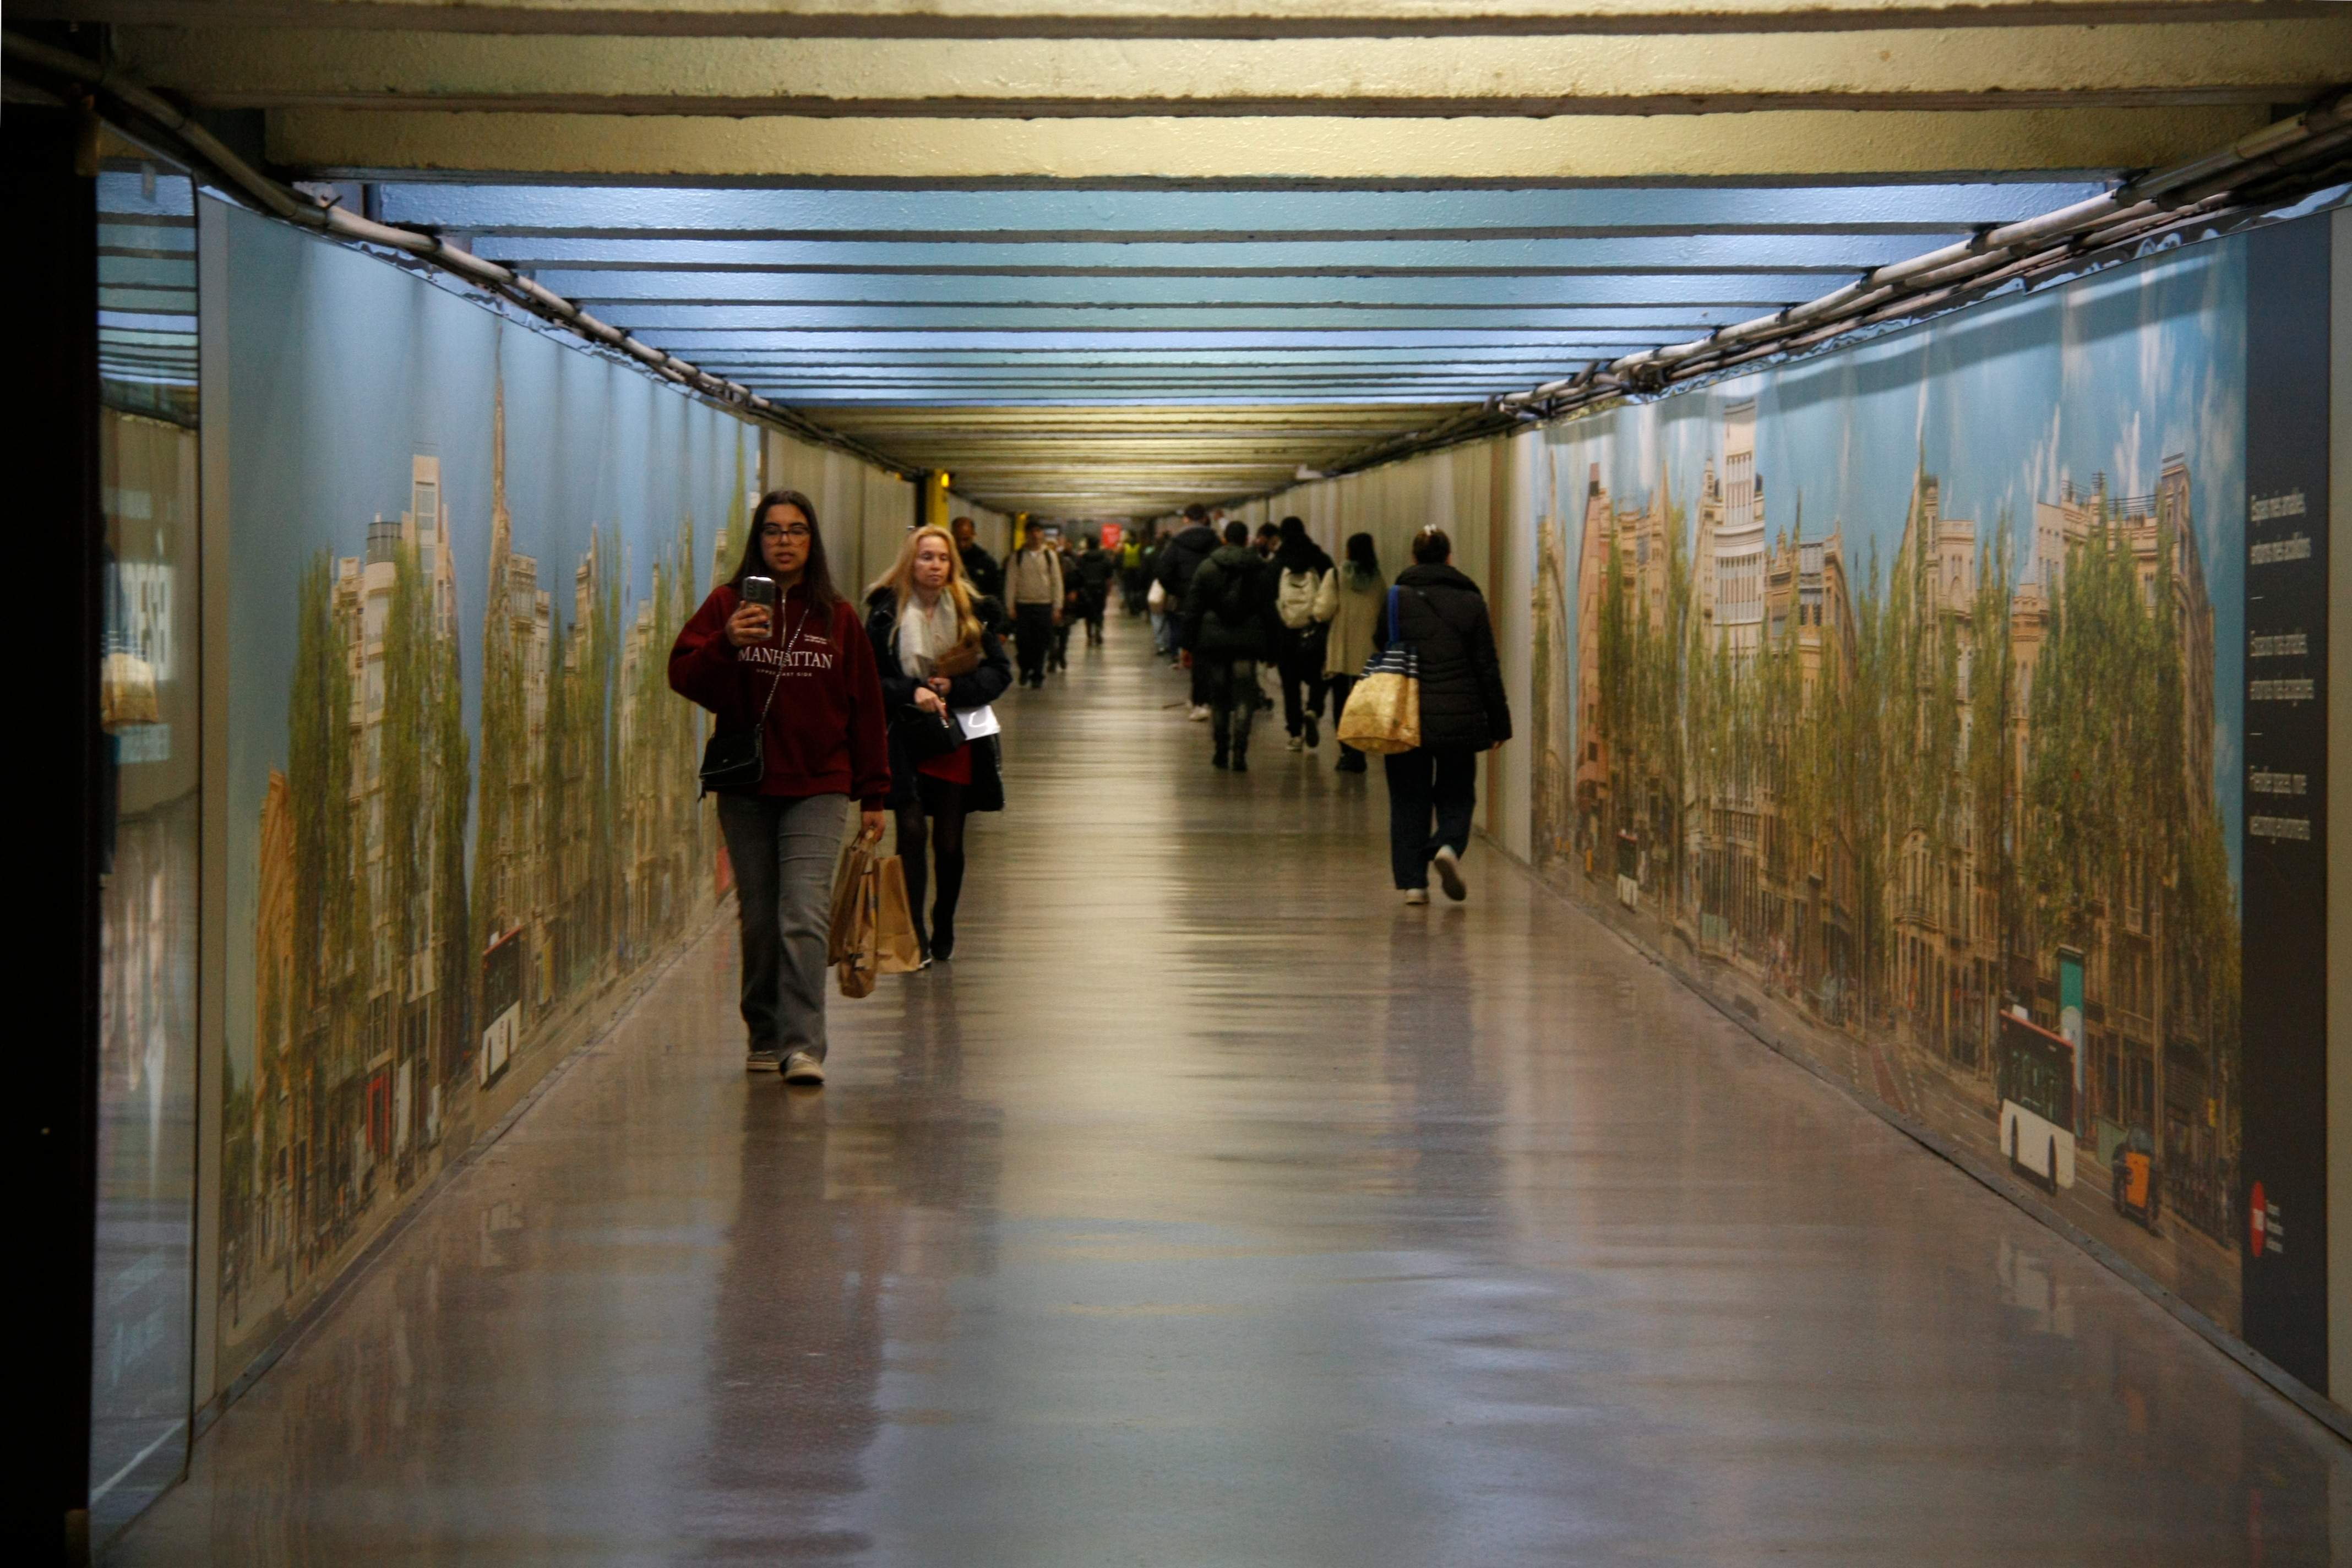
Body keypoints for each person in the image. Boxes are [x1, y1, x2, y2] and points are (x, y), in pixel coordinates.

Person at [670, 489, 891, 1084]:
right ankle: (764, 1032)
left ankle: (804, 1046)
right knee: (761, 917)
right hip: (747, 786)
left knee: (804, 913)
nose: (785, 541)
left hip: (820, 784)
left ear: (812, 542)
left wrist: (875, 794)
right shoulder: (726, 605)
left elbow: (866, 708)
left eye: (796, 531)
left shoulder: (838, 616)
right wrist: (728, 645)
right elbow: (684, 675)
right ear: (758, 540)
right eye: (773, 531)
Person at [864, 524, 1013, 965]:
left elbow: (999, 673)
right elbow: (870, 678)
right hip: (905, 736)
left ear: (953, 565)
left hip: (955, 735)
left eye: (943, 559)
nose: (935, 566)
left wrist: (954, 686)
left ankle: (944, 918)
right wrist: (911, 691)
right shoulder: (885, 614)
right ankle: (915, 934)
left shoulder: (972, 612)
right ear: (910, 562)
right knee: (911, 833)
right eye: (926, 557)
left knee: (948, 843)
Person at [1375, 526, 1510, 905]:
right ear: (1449, 557)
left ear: (1414, 557)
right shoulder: (1471, 601)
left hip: (1407, 716)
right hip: (1459, 716)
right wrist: (1499, 723)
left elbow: (1381, 644)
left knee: (1407, 798)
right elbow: (1487, 665)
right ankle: (1448, 845)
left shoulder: (1396, 599)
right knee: (1456, 792)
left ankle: (1414, 884)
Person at [1180, 520, 1277, 771]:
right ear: (1247, 540)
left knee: (1220, 697)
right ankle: (1240, 751)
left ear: (1224, 539)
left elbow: (1193, 609)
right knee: (1245, 696)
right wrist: (1273, 648)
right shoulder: (1259, 569)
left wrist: (1187, 644)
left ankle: (1221, 750)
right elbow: (1269, 610)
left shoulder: (1207, 567)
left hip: (1215, 642)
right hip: (1247, 641)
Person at [1316, 531, 1386, 774]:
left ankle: (1348, 753)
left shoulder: (1335, 575)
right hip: (1369, 654)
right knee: (1364, 706)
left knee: (1341, 703)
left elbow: (1324, 611)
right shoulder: (1377, 579)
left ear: (1348, 551)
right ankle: (1360, 753)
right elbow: (1384, 611)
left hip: (1342, 651)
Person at [1268, 516, 1335, 752]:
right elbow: (1332, 596)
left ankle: (1295, 734)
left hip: (1285, 633)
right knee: (1320, 676)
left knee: (1290, 685)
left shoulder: (1277, 564)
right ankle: (1314, 709)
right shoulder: (1320, 560)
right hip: (1315, 631)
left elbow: (1267, 600)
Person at [1155, 504, 1221, 717]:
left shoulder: (1175, 544)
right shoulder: (1215, 542)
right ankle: (1209, 698)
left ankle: (1199, 701)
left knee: (1197, 651)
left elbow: (1163, 573)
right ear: (1204, 519)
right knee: (1214, 653)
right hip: (1214, 604)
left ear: (1185, 520)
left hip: (1188, 604)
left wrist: (1180, 591)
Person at [1006, 519, 1063, 688]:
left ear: (1043, 534)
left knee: (1042, 642)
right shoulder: (1017, 557)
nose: (1035, 535)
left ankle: (1038, 674)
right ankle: (1025, 667)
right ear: (1027, 534)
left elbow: (1057, 582)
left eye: (1039, 531)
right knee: (1023, 642)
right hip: (1023, 605)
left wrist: (1057, 606)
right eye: (1032, 531)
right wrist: (1010, 605)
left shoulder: (1049, 556)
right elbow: (1011, 582)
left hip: (1044, 605)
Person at [1074, 533, 1117, 645]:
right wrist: (1108, 589)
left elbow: (1077, 574)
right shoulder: (1105, 559)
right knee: (1099, 611)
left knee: (1088, 612)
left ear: (1088, 545)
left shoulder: (1082, 559)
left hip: (1086, 589)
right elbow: (1109, 576)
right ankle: (1099, 630)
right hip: (1100, 588)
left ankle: (1089, 636)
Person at [951, 515, 1003, 604]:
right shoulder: (946, 559)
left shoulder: (986, 562)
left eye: (966, 539)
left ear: (973, 535)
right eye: (957, 539)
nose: (961, 544)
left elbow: (996, 594)